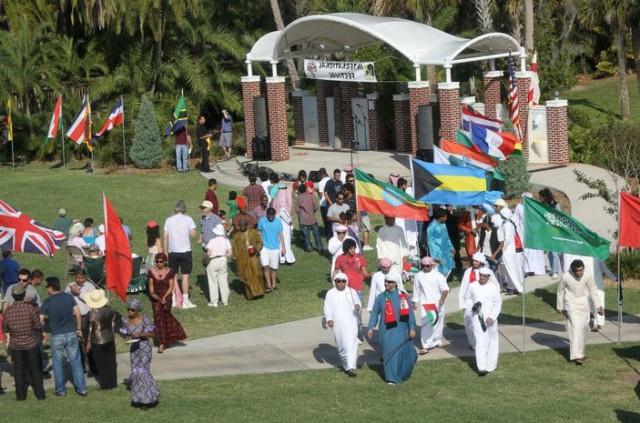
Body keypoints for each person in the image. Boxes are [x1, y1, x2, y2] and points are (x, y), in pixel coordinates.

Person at [40, 277, 88, 397]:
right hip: (71, 333)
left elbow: (40, 320)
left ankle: (61, 390)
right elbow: (77, 313)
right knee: (76, 362)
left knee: (58, 363)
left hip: (57, 336)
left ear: (51, 287)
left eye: (46, 287)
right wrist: (78, 329)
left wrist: (44, 331)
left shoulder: (47, 302)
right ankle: (82, 388)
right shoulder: (68, 297)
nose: (46, 289)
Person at [367, 272, 417, 385]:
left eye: (389, 282)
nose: (386, 284)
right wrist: (371, 327)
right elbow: (375, 313)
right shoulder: (381, 297)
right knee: (390, 354)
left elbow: (410, 314)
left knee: (410, 354)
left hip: (402, 330)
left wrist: (412, 327)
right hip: (387, 331)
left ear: (395, 283)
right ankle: (391, 378)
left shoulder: (403, 297)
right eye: (385, 281)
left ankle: (401, 374)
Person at [3, 284, 45, 400]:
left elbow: (5, 328)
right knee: (35, 369)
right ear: (23, 295)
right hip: (31, 343)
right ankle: (40, 394)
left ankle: (20, 396)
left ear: (12, 296)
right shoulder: (29, 308)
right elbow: (37, 325)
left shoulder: (8, 312)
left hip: (16, 345)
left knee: (18, 370)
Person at [556, 259, 603, 365]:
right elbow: (560, 290)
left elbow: (593, 290)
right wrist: (560, 306)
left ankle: (580, 353)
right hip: (571, 305)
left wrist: (598, 306)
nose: (580, 273)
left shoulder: (586, 275)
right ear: (573, 270)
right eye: (577, 271)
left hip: (584, 305)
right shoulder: (566, 276)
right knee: (576, 329)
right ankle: (576, 356)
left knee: (584, 330)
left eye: (581, 270)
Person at [119, 299, 159, 409]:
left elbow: (152, 334)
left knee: (143, 371)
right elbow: (125, 333)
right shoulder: (125, 320)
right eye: (128, 309)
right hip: (134, 348)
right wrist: (127, 338)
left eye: (132, 310)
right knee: (136, 372)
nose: (129, 312)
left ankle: (148, 398)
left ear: (137, 310)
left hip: (145, 347)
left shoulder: (144, 319)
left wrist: (141, 333)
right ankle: (138, 398)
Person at [148, 253, 188, 353]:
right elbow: (151, 285)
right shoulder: (151, 271)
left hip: (167, 296)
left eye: (160, 261)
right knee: (158, 318)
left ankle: (174, 334)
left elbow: (171, 286)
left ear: (165, 262)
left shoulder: (170, 271)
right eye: (157, 261)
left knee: (166, 315)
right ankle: (161, 342)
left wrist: (164, 297)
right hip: (156, 297)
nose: (158, 263)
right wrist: (153, 294)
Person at [324, 272, 361, 377]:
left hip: (351, 323)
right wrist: (329, 319)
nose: (340, 283)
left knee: (351, 344)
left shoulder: (351, 291)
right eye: (338, 281)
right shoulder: (330, 293)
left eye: (343, 281)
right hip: (338, 324)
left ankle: (351, 367)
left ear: (346, 282)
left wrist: (358, 306)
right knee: (341, 346)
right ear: (335, 282)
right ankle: (346, 366)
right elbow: (327, 307)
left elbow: (358, 303)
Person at [458, 252, 498, 348]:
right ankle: (473, 343)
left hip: (484, 302)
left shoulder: (488, 272)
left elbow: (495, 286)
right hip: (469, 301)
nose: (474, 262)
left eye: (477, 261)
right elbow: (463, 287)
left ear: (481, 262)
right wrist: (462, 302)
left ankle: (482, 343)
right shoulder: (468, 271)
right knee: (469, 323)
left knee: (481, 323)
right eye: (474, 261)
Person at [468, 267, 502, 375]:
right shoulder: (472, 286)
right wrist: (473, 308)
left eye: (484, 276)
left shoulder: (493, 288)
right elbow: (467, 299)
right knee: (480, 341)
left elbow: (498, 303)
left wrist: (492, 317)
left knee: (492, 341)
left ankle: (491, 365)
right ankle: (481, 367)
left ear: (488, 277)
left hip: (491, 319)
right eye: (481, 275)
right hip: (477, 318)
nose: (482, 277)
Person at [164, 200, 197, 309]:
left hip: (172, 251)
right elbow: (193, 235)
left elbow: (165, 236)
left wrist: (165, 250)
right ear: (184, 210)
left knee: (173, 276)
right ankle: (185, 300)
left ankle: (173, 299)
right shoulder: (188, 219)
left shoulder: (169, 220)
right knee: (185, 276)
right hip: (185, 251)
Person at [412, 256, 449, 354]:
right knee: (427, 324)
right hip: (426, 304)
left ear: (432, 265)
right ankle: (426, 345)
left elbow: (445, 289)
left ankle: (437, 340)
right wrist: (415, 301)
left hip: (438, 304)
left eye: (427, 266)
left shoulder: (438, 276)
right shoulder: (418, 275)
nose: (425, 267)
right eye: (423, 265)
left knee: (438, 322)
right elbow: (416, 289)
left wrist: (442, 299)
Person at [84, 289, 117, 389]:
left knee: (101, 363)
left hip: (97, 340)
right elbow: (113, 325)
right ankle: (112, 383)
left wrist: (88, 342)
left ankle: (106, 384)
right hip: (110, 337)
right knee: (110, 362)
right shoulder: (110, 310)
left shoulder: (92, 313)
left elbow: (90, 329)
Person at [66, 268, 96, 372]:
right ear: (75, 277)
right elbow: (66, 301)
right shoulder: (69, 286)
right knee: (77, 343)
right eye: (78, 277)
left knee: (89, 342)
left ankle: (92, 366)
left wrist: (79, 293)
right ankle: (81, 366)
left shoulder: (90, 287)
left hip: (87, 317)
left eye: (82, 278)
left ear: (85, 278)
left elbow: (93, 301)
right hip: (74, 319)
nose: (79, 280)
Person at [493, 207, 524, 294]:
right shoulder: (507, 223)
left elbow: (507, 239)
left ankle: (517, 287)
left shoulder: (507, 224)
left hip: (508, 250)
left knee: (511, 269)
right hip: (508, 250)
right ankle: (512, 286)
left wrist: (503, 248)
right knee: (508, 269)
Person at [231, 221, 264, 299]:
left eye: (244, 225)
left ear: (247, 225)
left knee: (256, 273)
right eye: (240, 226)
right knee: (247, 276)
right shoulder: (237, 236)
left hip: (253, 257)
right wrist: (236, 257)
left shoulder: (253, 232)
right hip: (243, 259)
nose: (242, 227)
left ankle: (259, 291)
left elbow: (260, 242)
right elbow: (235, 248)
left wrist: (256, 249)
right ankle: (251, 294)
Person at [257, 208, 285, 292]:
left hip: (275, 248)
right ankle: (269, 285)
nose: (270, 217)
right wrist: (259, 243)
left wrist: (283, 247)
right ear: (267, 214)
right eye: (269, 215)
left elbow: (280, 234)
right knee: (265, 266)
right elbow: (259, 231)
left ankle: (274, 284)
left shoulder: (278, 222)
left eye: (272, 215)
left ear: (274, 214)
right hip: (264, 247)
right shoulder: (262, 221)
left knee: (274, 268)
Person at [205, 225, 233, 307]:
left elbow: (209, 253)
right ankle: (225, 301)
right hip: (223, 260)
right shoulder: (226, 241)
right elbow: (230, 253)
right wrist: (223, 255)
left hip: (213, 260)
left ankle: (214, 301)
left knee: (213, 281)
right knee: (223, 280)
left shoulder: (212, 241)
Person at [427, 208, 455, 278]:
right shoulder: (431, 227)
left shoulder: (443, 224)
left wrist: (452, 247)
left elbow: (447, 237)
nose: (446, 218)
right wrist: (435, 256)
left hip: (446, 250)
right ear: (441, 217)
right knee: (439, 271)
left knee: (448, 268)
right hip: (438, 252)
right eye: (445, 217)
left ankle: (443, 284)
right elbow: (430, 242)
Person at [296, 183, 323, 253]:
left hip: (303, 219)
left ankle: (309, 249)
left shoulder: (298, 198)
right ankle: (320, 248)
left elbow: (297, 210)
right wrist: (312, 211)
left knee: (306, 235)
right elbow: (316, 207)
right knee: (316, 233)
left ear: (299, 190)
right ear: (305, 189)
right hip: (312, 218)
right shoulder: (310, 196)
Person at [323, 169, 344, 237]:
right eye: (336, 175)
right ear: (334, 175)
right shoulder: (329, 183)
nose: (338, 177)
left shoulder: (340, 182)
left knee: (337, 220)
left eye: (339, 176)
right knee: (330, 222)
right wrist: (331, 203)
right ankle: (329, 236)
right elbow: (325, 194)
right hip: (330, 205)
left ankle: (337, 235)